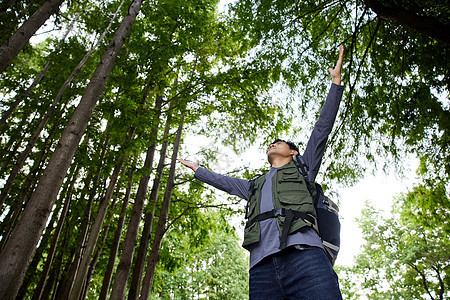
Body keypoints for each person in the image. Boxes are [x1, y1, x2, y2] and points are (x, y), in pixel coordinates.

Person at [178, 46, 345, 300]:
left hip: (305, 257)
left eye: (281, 142)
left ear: (294, 153)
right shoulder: (255, 185)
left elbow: (322, 129)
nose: (273, 143)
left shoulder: (304, 167)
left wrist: (335, 83)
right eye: (272, 142)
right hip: (261, 268)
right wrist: (199, 171)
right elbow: (225, 183)